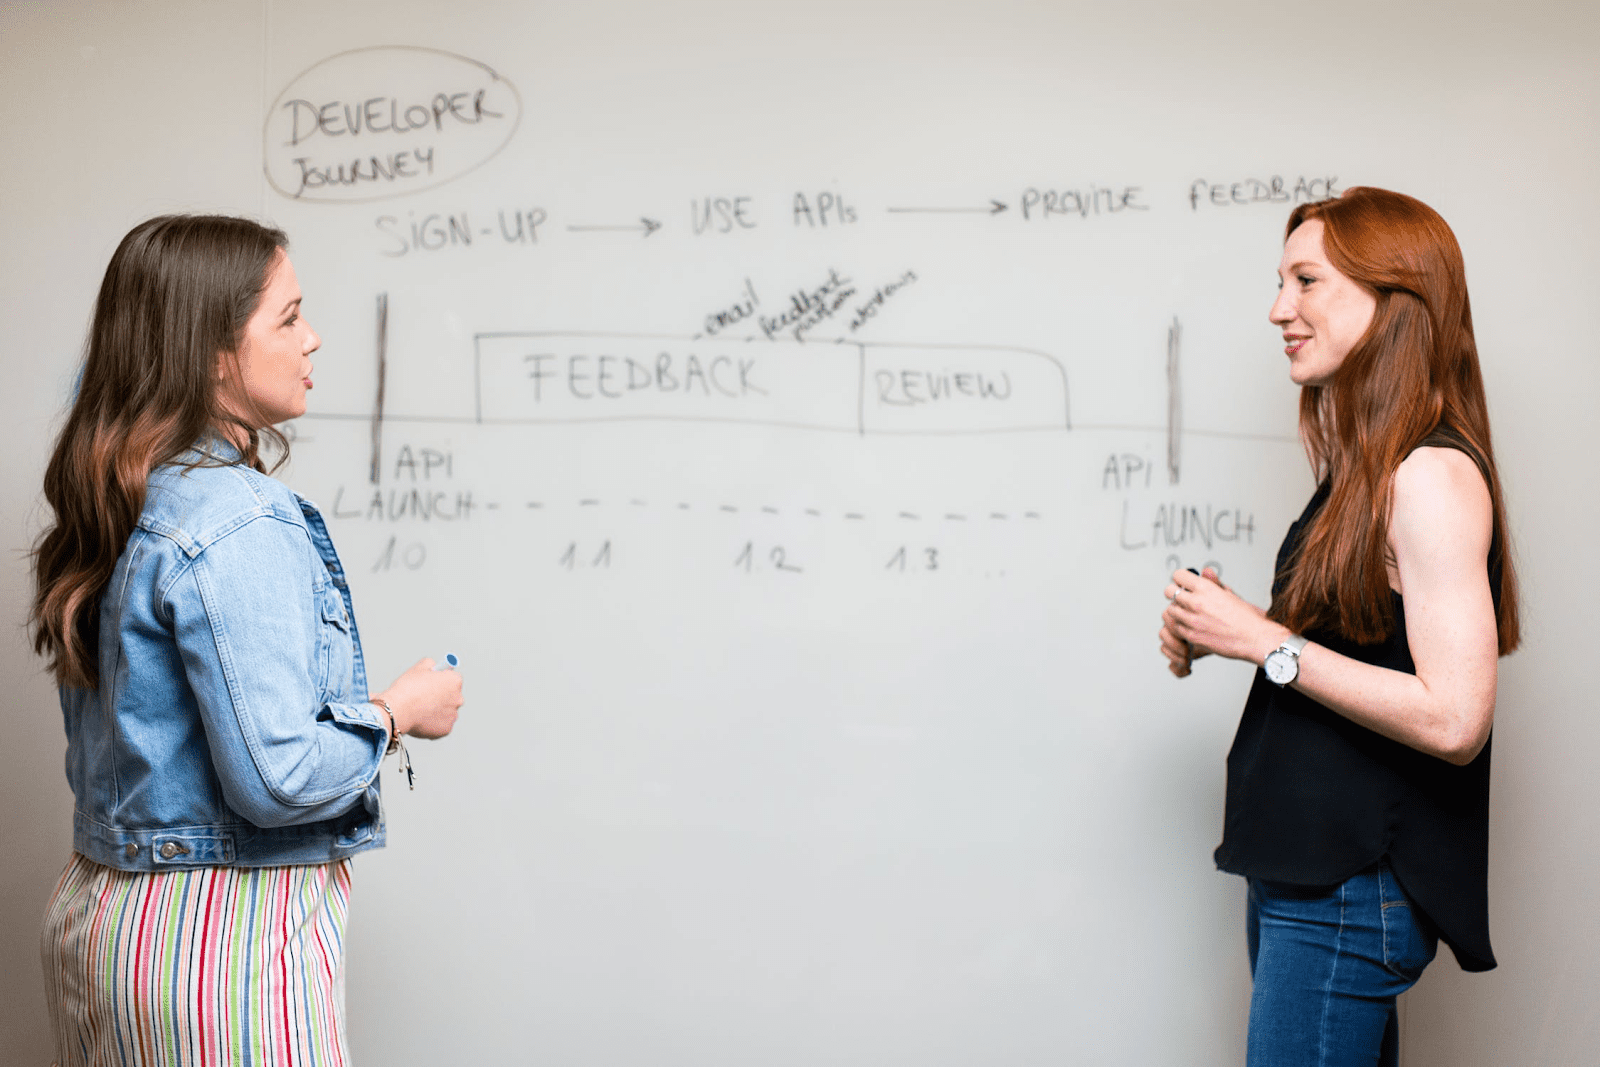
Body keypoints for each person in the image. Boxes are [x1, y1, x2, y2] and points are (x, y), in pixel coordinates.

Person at [29, 214, 464, 1066]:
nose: (314, 338)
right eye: (289, 317)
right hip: (218, 942)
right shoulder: (239, 515)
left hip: (98, 920)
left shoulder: (124, 494)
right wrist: (398, 710)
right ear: (213, 352)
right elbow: (280, 776)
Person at [1158, 187, 1519, 1066]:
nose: (1280, 308)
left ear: (1394, 296)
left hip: (1348, 889)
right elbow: (1350, 651)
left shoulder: (1428, 475)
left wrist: (1260, 639)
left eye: (1307, 279)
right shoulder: (1370, 469)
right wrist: (1223, 628)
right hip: (1313, 879)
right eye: (1283, 281)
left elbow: (1456, 718)